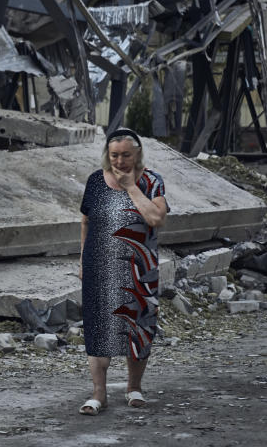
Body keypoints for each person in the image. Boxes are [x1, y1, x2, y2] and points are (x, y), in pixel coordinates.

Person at [77, 128, 168, 415]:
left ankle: (134, 387)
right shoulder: (95, 181)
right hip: (99, 268)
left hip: (138, 271)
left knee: (138, 329)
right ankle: (98, 394)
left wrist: (131, 186)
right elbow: (85, 222)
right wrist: (82, 261)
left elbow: (156, 218)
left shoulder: (152, 182)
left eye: (126, 155)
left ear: (137, 153)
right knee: (98, 329)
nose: (119, 161)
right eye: (114, 155)